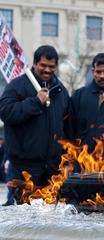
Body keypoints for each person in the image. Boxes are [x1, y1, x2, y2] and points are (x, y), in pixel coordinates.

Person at [0, 45, 72, 203]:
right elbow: (6, 112)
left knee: (49, 216)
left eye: (51, 67)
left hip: (52, 168)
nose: (47, 70)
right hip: (24, 168)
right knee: (23, 215)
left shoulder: (61, 91)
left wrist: (66, 160)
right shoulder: (17, 86)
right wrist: (36, 101)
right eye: (43, 66)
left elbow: (66, 128)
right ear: (34, 64)